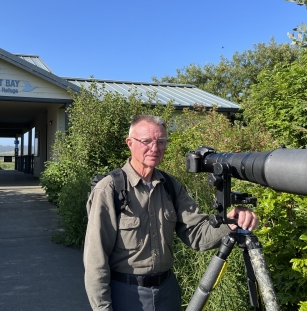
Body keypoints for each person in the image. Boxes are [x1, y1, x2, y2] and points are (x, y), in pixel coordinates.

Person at [84, 115, 258, 311]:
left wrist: (231, 222)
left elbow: (197, 235)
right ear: (130, 143)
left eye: (161, 141)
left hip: (167, 292)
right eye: (146, 141)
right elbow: (95, 259)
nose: (155, 148)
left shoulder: (170, 187)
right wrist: (102, 308)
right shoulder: (110, 189)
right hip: (125, 294)